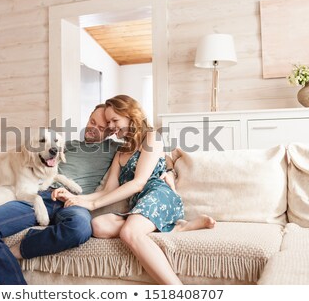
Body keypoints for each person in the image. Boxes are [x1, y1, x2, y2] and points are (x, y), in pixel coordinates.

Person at [53, 95, 215, 285]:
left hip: (159, 196)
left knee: (129, 233)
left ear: (131, 116)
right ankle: (178, 227)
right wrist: (78, 198)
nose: (111, 127)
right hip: (139, 204)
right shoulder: (120, 152)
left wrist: (92, 204)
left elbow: (139, 183)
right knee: (98, 226)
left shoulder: (152, 137)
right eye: (109, 122)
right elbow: (108, 190)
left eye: (115, 120)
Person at [0, 104, 118, 285]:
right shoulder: (63, 144)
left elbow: (145, 149)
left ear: (110, 131)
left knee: (79, 229)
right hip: (42, 195)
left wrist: (161, 169)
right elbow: (29, 155)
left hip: (75, 203)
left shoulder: (115, 149)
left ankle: (13, 252)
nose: (93, 128)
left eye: (100, 128)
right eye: (92, 121)